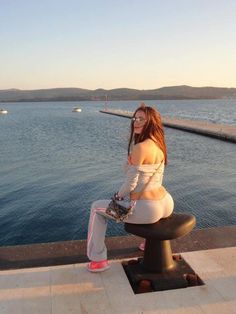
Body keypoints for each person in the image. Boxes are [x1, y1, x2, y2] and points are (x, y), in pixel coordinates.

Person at [87, 103, 174, 272]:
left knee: (96, 208)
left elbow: (130, 185)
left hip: (149, 209)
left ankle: (98, 260)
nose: (136, 121)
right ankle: (148, 242)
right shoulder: (159, 144)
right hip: (166, 203)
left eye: (142, 119)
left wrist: (117, 198)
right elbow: (151, 176)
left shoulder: (140, 147)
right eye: (135, 118)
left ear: (152, 122)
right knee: (139, 207)